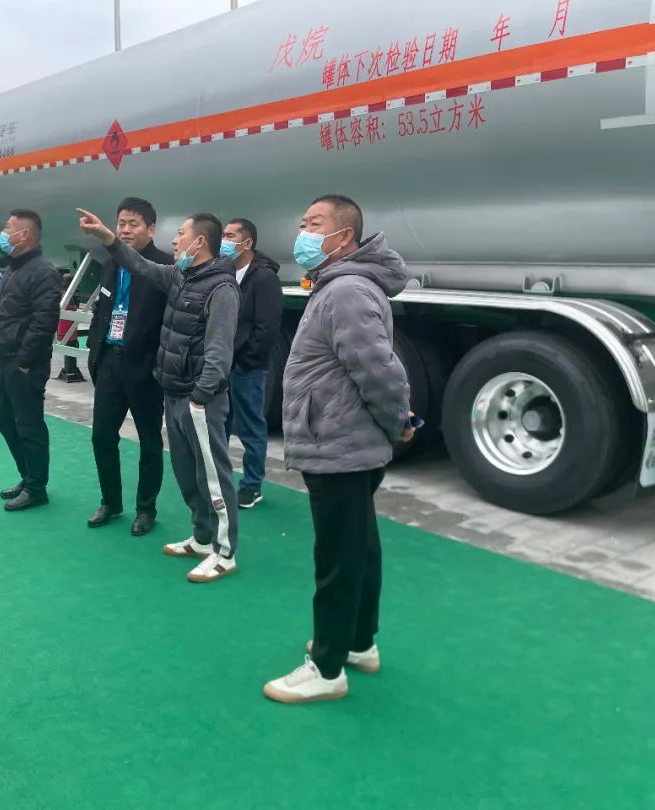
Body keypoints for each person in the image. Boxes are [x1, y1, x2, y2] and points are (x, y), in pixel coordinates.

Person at [263, 194, 414, 704]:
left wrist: (399, 419)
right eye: (302, 222)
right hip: (344, 440)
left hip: (339, 443)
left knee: (338, 558)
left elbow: (377, 367)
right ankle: (358, 643)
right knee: (359, 547)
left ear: (343, 236)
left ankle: (327, 669)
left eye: (313, 224)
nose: (302, 233)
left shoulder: (346, 289)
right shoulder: (339, 285)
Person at [77, 207, 241, 583]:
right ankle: (202, 537)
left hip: (200, 399)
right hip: (174, 392)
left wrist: (200, 397)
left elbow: (219, 353)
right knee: (186, 472)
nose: (174, 240)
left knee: (212, 476)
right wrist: (106, 236)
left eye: (181, 233)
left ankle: (224, 553)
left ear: (200, 242)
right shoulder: (180, 276)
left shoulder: (221, 289)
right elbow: (139, 264)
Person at [85, 197, 172, 537]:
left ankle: (146, 509)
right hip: (110, 362)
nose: (124, 230)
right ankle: (110, 502)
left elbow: (170, 323)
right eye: (121, 223)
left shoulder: (163, 267)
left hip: (145, 369)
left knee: (149, 441)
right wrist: (95, 353)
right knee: (101, 437)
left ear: (151, 229)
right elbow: (101, 312)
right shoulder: (110, 264)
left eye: (133, 224)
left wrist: (158, 365)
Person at [0, 209, 62, 512]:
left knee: (29, 425)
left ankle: (36, 488)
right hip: (4, 357)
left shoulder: (44, 272)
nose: (4, 233)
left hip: (24, 363)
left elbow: (44, 322)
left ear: (25, 235)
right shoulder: (14, 268)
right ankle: (28, 475)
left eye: (9, 228)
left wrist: (24, 360)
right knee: (6, 421)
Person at [220, 218, 283, 508]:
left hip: (247, 368)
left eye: (230, 236)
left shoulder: (263, 277)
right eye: (223, 235)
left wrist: (246, 361)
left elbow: (267, 328)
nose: (224, 241)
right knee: (220, 424)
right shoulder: (225, 272)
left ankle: (252, 485)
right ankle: (218, 478)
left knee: (250, 426)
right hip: (222, 364)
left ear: (247, 243)